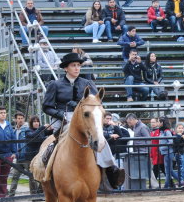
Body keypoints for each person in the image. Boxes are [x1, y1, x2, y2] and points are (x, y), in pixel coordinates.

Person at [42, 53, 125, 189]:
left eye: (78, 65)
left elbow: (96, 103)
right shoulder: (55, 85)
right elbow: (46, 107)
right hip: (62, 117)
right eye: (73, 65)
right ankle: (47, 167)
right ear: (65, 68)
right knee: (55, 141)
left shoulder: (87, 83)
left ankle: (111, 169)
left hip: (85, 118)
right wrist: (61, 114)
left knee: (99, 137)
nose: (77, 68)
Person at [23, 116, 52, 194]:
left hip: (40, 156)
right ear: (31, 123)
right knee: (32, 177)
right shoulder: (27, 131)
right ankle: (33, 194)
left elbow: (50, 133)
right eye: (34, 122)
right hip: (30, 157)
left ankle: (40, 192)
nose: (36, 123)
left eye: (37, 121)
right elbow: (33, 136)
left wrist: (51, 128)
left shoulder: (41, 131)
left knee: (42, 175)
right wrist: (42, 127)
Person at [8, 112, 29, 197]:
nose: (20, 120)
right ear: (15, 120)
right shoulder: (14, 130)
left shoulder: (27, 129)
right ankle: (11, 195)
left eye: (22, 118)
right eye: (18, 118)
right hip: (18, 157)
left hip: (26, 156)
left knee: (32, 177)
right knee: (15, 176)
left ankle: (35, 194)